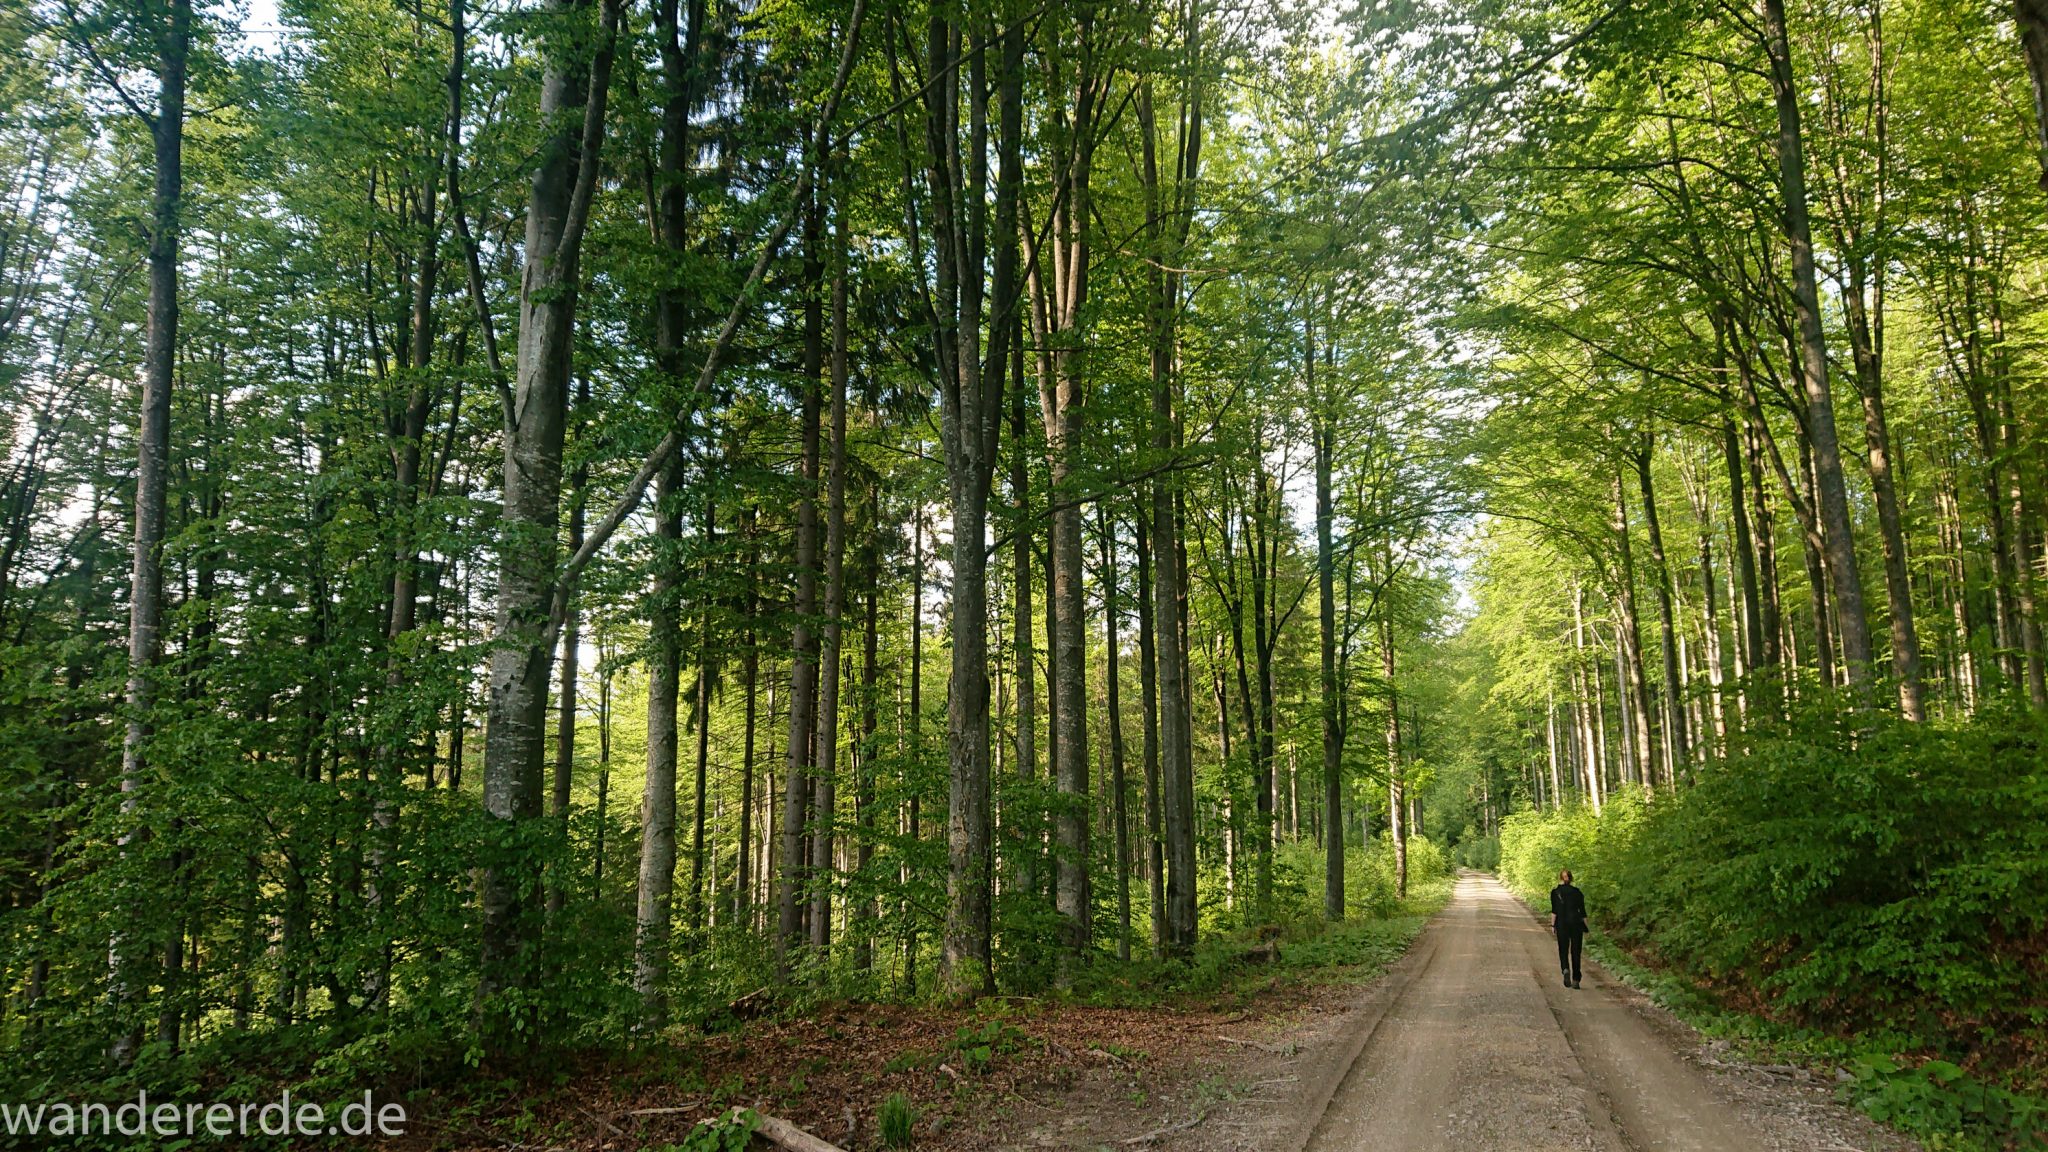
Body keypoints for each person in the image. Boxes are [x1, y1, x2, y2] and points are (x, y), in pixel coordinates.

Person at [1550, 869, 1587, 988]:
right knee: (1576, 951)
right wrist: (1586, 927)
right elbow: (1583, 912)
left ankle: (1565, 968)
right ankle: (1576, 979)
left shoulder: (1555, 892)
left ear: (1560, 878)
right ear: (1571, 878)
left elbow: (1554, 911)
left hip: (1561, 924)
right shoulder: (1578, 892)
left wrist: (1552, 925)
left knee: (1563, 949)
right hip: (1576, 923)